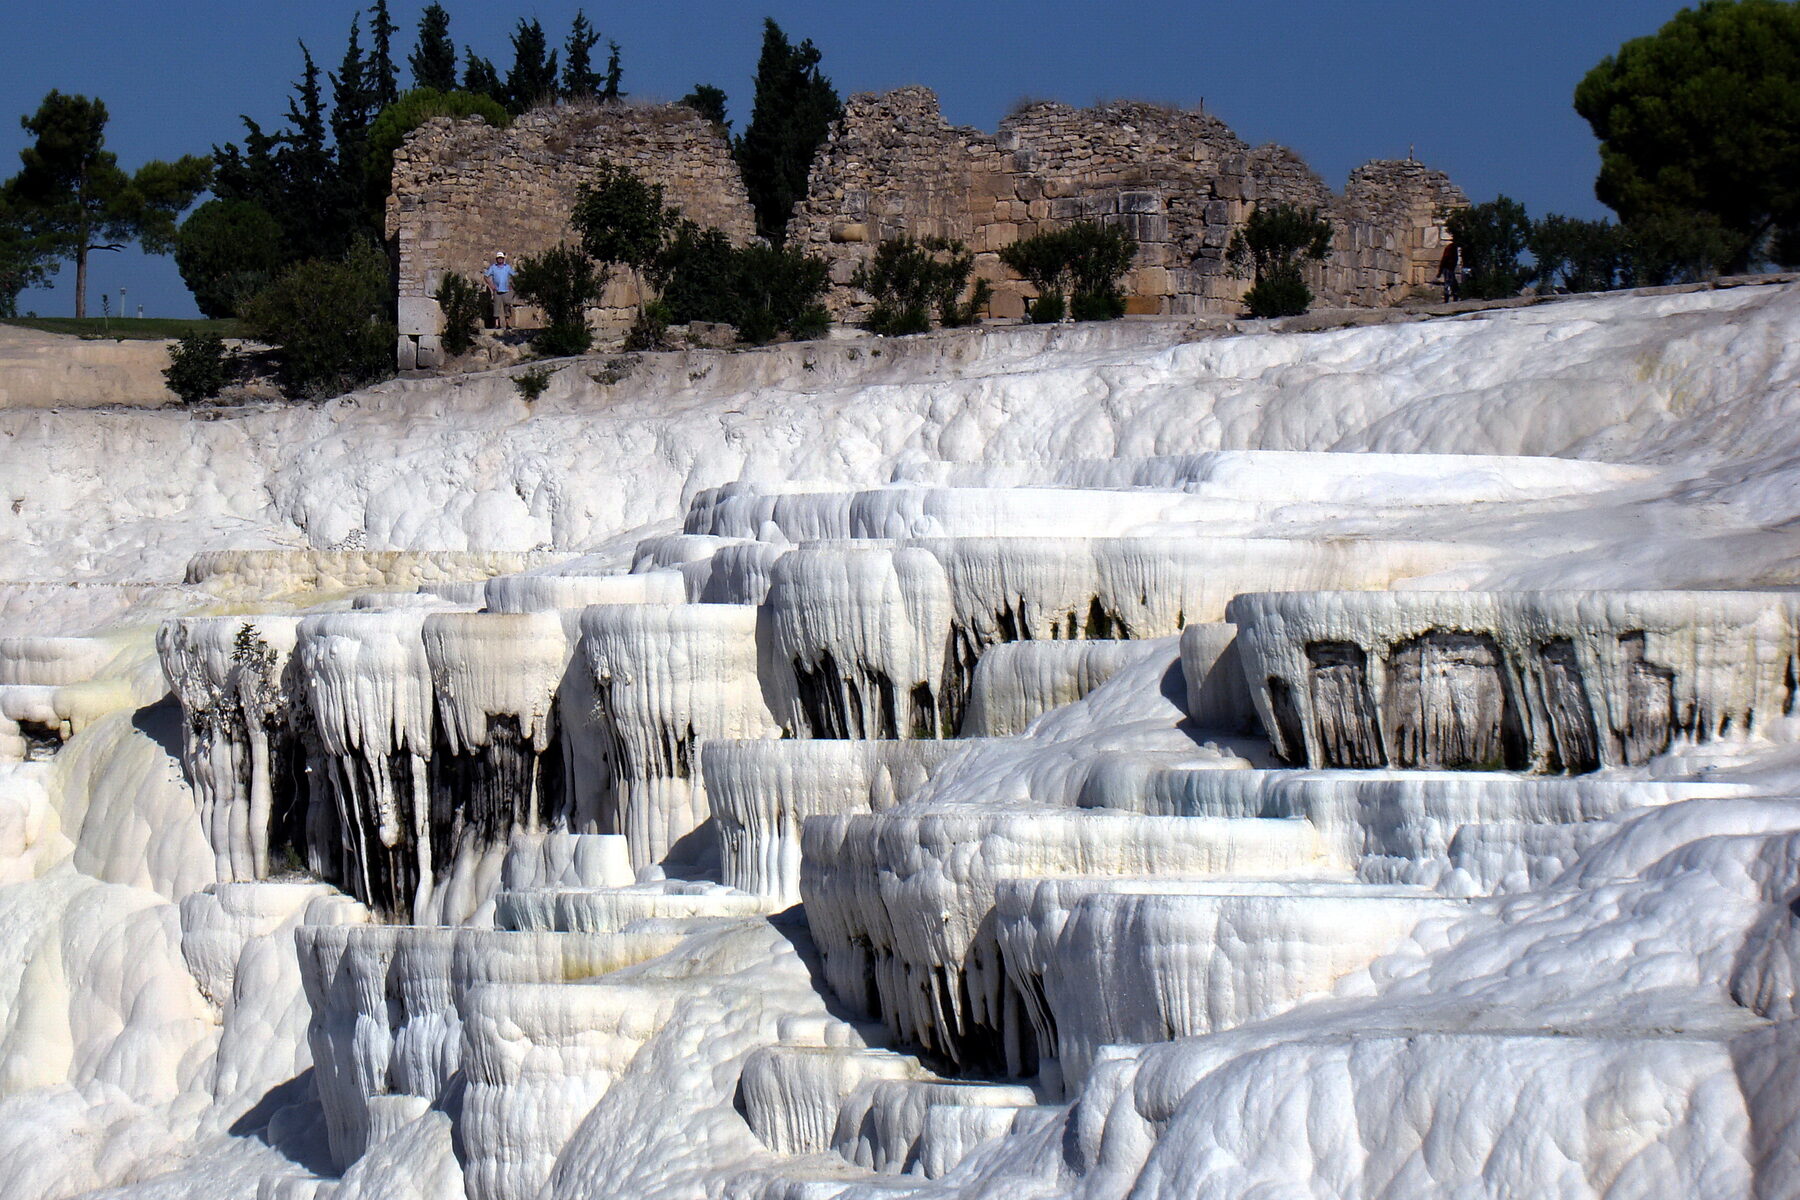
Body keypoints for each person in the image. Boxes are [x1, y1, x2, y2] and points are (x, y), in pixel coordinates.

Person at [482, 251, 518, 329]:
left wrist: (512, 285)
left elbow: (514, 275)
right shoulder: (493, 267)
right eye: (499, 258)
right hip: (497, 291)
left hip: (506, 290)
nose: (500, 260)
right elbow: (486, 276)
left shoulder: (507, 267)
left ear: (503, 259)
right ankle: (497, 324)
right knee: (496, 307)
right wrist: (491, 285)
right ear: (496, 259)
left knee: (507, 307)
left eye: (501, 258)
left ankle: (507, 323)